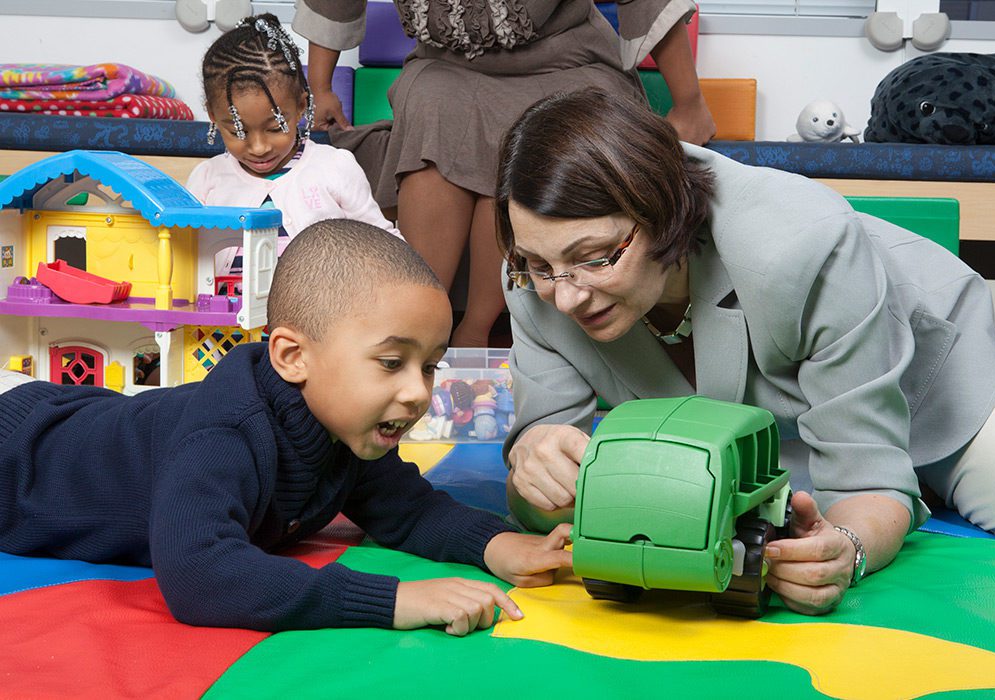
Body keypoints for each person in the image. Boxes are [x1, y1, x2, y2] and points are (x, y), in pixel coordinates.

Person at [495, 88, 995, 615]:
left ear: (664, 212)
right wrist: (536, 467)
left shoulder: (799, 247)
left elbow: (867, 477)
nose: (566, 294)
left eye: (596, 258)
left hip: (937, 389)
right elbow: (540, 496)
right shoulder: (537, 281)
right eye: (537, 262)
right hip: (776, 438)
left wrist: (846, 549)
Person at [0, 219, 572, 635]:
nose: (419, 392)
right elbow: (199, 573)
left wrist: (498, 545)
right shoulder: (225, 434)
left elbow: (412, 510)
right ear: (293, 356)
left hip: (80, 417)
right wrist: (394, 601)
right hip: (18, 456)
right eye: (392, 363)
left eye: (430, 365)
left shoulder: (350, 429)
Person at [292, 0, 716, 347]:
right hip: (449, 66)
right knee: (430, 103)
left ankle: (477, 328)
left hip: (566, 61)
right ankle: (419, 319)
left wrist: (688, 101)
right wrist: (322, 86)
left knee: (532, 131)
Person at [187, 13, 399, 258]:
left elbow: (384, 245)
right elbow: (185, 252)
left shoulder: (335, 168)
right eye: (238, 131)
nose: (258, 147)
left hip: (323, 296)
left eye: (275, 127)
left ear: (301, 106)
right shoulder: (207, 180)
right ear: (213, 116)